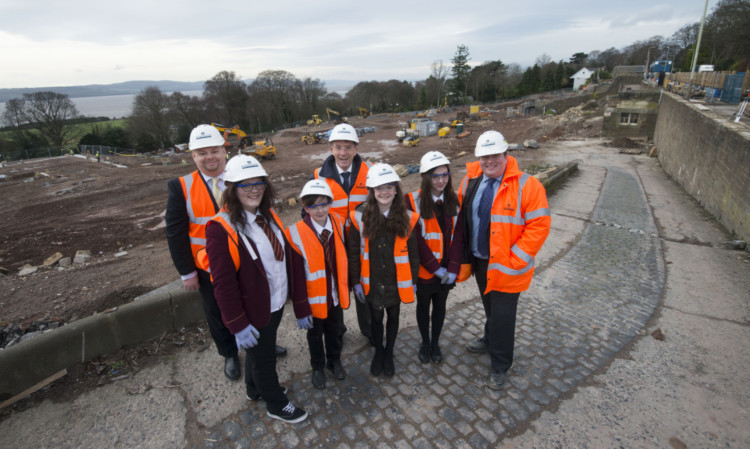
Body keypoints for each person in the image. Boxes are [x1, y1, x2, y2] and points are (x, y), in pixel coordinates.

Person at [165, 124, 285, 383]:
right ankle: (229, 353)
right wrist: (187, 272)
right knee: (218, 311)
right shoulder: (181, 187)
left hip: (249, 261)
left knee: (258, 303)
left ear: (224, 150)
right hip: (208, 266)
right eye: (202, 152)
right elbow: (175, 234)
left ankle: (262, 344)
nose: (210, 157)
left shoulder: (242, 176)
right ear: (193, 156)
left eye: (215, 150)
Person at [204, 155, 312, 424]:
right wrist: (237, 324)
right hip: (252, 309)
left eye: (258, 183)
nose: (254, 190)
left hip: (274, 302)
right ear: (232, 189)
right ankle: (276, 403)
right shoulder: (221, 228)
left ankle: (255, 390)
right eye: (245, 185)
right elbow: (223, 283)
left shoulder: (268, 215)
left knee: (258, 353)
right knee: (264, 359)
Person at [456, 130, 551, 390]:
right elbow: (460, 214)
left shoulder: (528, 185)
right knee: (490, 309)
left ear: (506, 155)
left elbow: (539, 226)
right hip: (480, 261)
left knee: (503, 316)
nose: (489, 161)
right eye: (484, 156)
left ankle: (500, 364)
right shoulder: (470, 180)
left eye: (494, 155)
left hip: (509, 265)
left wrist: (514, 259)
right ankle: (488, 339)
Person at [348, 163, 420, 377]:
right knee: (376, 319)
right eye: (379, 188)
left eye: (389, 187)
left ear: (396, 190)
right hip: (371, 280)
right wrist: (355, 281)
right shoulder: (358, 216)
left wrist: (413, 281)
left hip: (397, 281)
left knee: (394, 316)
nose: (384, 192)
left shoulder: (407, 217)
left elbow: (413, 255)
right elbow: (353, 253)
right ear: (371, 191)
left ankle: (389, 353)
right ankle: (379, 351)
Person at [285, 179, 349, 390]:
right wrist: (301, 308)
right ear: (305, 207)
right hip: (313, 299)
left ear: (330, 203)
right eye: (313, 205)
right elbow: (295, 275)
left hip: (335, 295)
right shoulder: (294, 233)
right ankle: (318, 367)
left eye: (324, 204)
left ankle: (334, 361)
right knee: (314, 335)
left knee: (335, 330)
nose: (320, 210)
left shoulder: (339, 222)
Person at [312, 123, 372, 343]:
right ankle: (337, 329)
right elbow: (307, 210)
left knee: (364, 288)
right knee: (335, 290)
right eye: (338, 147)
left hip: (363, 244)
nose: (343, 153)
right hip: (333, 244)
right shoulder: (318, 176)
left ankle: (369, 330)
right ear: (331, 149)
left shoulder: (370, 170)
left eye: (348, 147)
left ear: (356, 148)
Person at [405, 151, 463, 365]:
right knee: (423, 307)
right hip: (425, 272)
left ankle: (435, 343)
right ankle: (425, 342)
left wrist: (454, 267)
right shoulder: (411, 201)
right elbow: (415, 240)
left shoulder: (456, 200)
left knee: (440, 306)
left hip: (447, 271)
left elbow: (459, 237)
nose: (440, 180)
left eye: (444, 175)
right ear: (424, 177)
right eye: (435, 176)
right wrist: (434, 268)